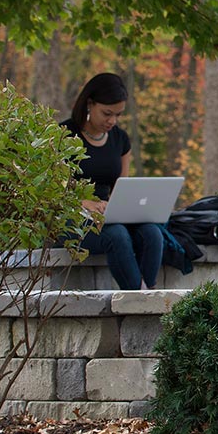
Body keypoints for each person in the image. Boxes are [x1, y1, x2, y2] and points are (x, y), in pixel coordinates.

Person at [61, 73, 166, 291]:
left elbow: (122, 187)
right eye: (107, 113)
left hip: (107, 213)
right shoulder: (64, 135)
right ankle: (140, 297)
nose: (112, 121)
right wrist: (84, 203)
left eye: (118, 115)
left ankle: (144, 292)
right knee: (117, 235)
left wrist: (121, 207)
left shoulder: (120, 139)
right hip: (72, 216)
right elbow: (55, 191)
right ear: (90, 104)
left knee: (152, 234)